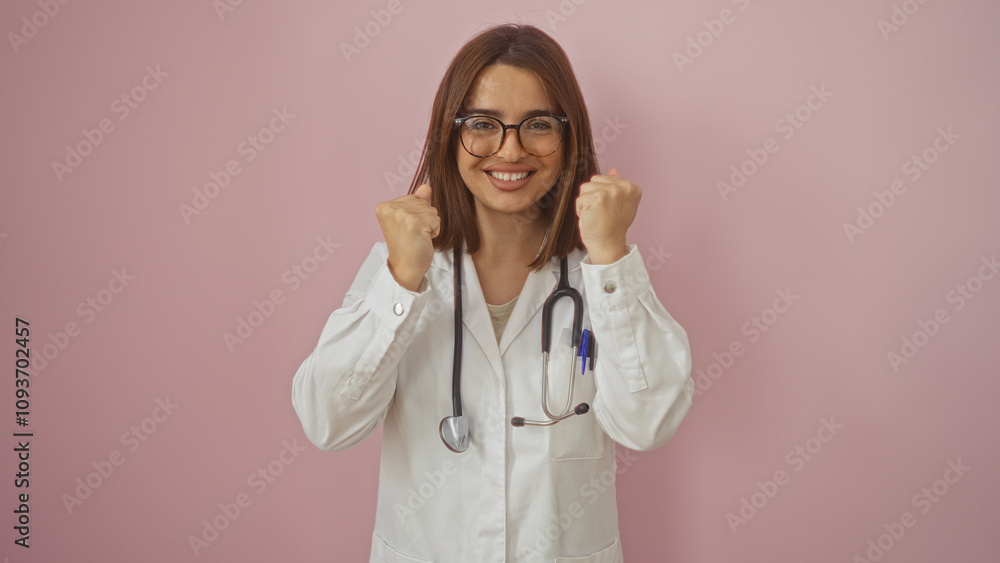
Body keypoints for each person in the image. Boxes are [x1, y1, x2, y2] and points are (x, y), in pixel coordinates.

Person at [292, 23, 693, 563]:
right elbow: (328, 423)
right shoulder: (404, 269)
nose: (510, 149)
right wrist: (401, 280)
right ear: (448, 133)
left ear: (568, 136)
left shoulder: (599, 275)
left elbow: (649, 425)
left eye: (538, 125)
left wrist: (612, 255)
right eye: (482, 123)